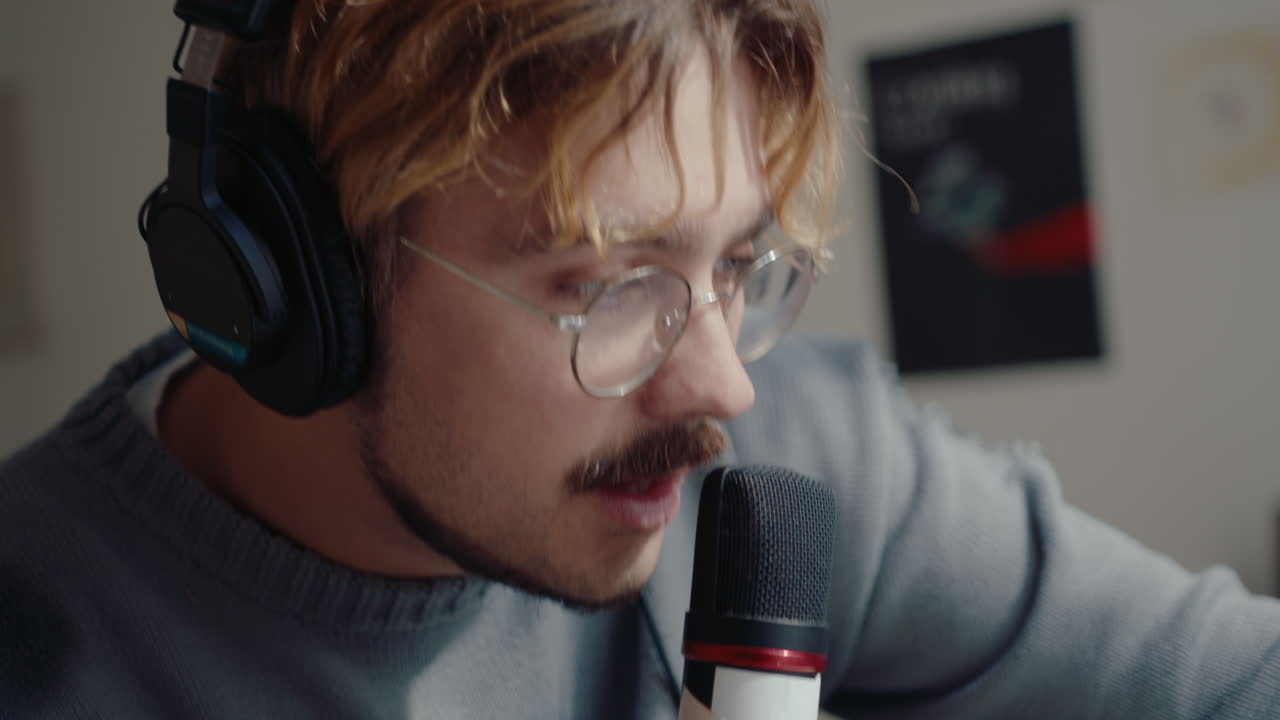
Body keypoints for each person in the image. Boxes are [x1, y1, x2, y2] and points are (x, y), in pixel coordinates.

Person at [2, 1, 1278, 718]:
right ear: (295, 281)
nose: (725, 387)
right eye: (612, 282)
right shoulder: (45, 646)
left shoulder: (797, 476)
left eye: (733, 267)